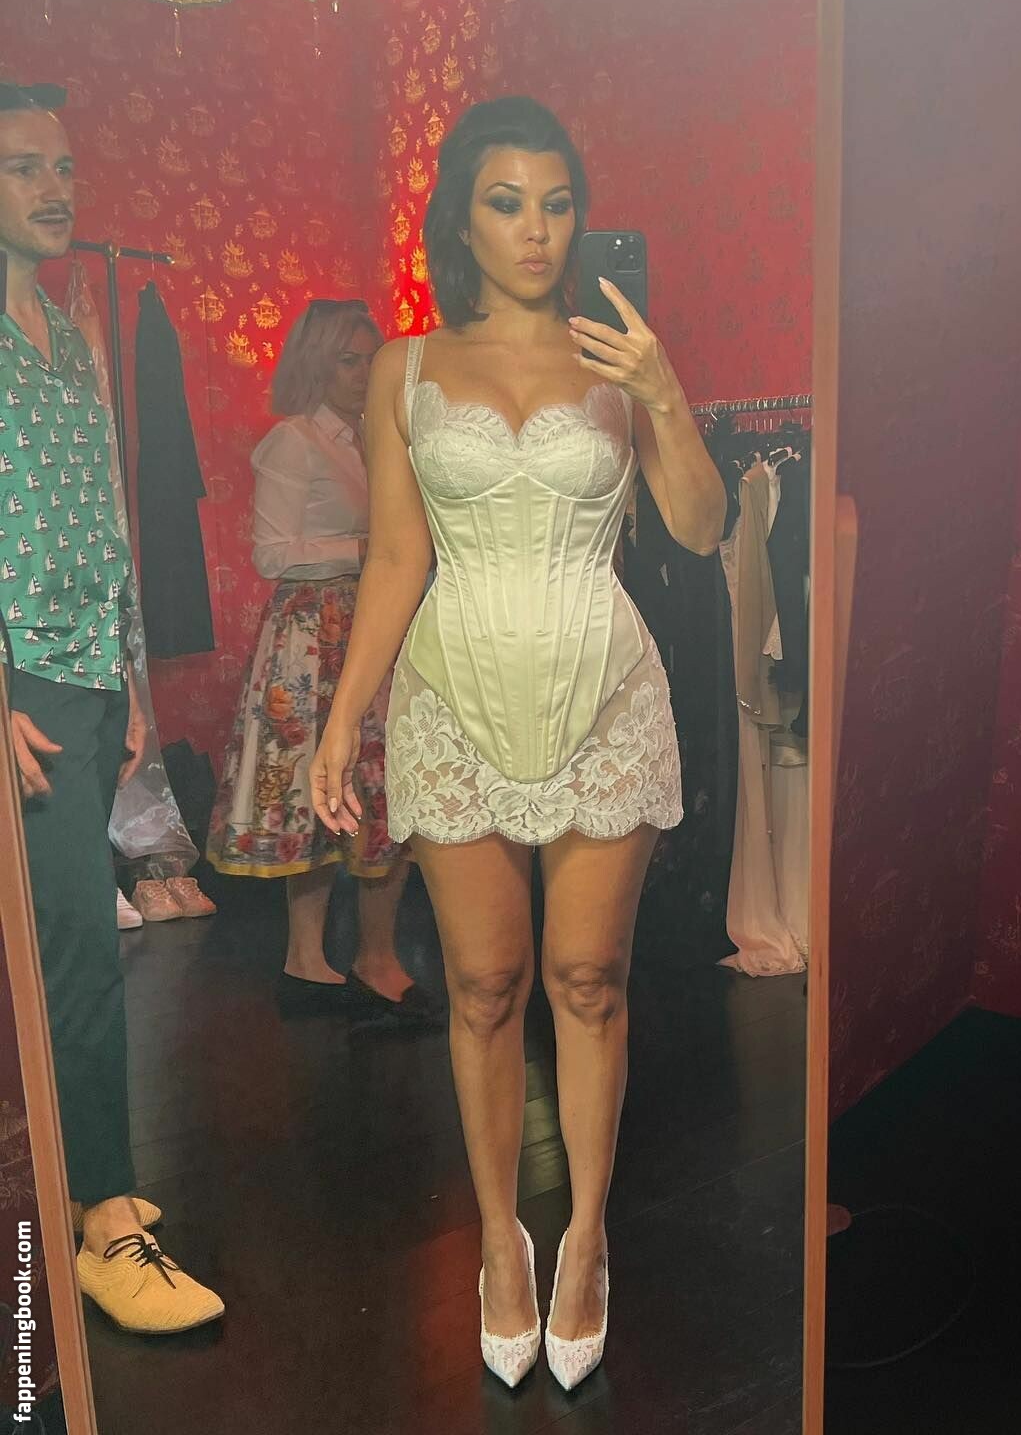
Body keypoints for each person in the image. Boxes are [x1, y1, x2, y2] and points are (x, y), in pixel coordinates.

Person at [310, 97, 725, 1389]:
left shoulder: (620, 359)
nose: (536, 229)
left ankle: (585, 1238)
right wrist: (345, 718)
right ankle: (502, 1238)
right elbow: (395, 556)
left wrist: (662, 394)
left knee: (589, 979)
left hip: (606, 698)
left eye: (556, 202)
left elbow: (702, 528)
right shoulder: (406, 370)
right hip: (452, 697)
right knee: (484, 986)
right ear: (464, 220)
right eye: (507, 202)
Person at [0, 79, 223, 1332]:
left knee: (75, 950)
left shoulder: (72, 336)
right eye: (24, 167)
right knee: (77, 948)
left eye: (63, 166)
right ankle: (97, 1224)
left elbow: (106, 516)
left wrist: (133, 676)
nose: (55, 189)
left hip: (88, 681)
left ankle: (93, 1188)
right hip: (20, 691)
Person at [208, 300, 441, 1025]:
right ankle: (306, 961)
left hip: (376, 620)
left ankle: (376, 956)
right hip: (313, 632)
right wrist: (367, 551)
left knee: (384, 783)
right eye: (347, 360)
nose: (362, 373)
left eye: (370, 359)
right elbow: (272, 554)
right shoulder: (294, 441)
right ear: (315, 364)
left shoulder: (383, 436)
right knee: (309, 792)